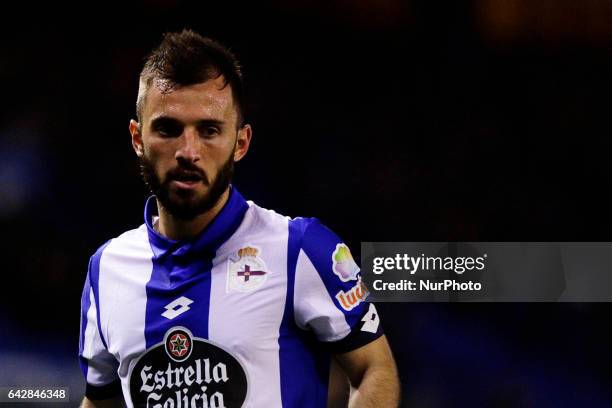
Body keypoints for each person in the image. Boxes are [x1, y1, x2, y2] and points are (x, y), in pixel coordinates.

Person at [78, 29, 399, 408]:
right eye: (168, 128)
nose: (188, 151)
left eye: (209, 130)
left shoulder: (299, 249)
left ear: (241, 143)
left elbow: (374, 370)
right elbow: (100, 400)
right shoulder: (106, 269)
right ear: (137, 138)